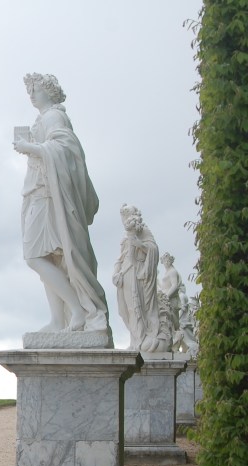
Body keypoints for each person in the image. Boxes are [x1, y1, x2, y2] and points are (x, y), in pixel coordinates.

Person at [13, 73, 111, 338]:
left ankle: (77, 309)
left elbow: (65, 150)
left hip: (48, 196)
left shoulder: (54, 117)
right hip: (39, 192)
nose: (31, 95)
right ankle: (58, 320)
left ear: (49, 92)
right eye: (29, 91)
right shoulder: (43, 119)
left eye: (35, 89)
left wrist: (30, 148)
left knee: (35, 257)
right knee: (50, 258)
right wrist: (32, 147)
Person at [112, 204, 166, 351]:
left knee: (139, 306)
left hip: (139, 273)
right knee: (128, 308)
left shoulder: (143, 230)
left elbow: (154, 250)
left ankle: (141, 339)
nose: (125, 218)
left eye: (127, 214)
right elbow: (120, 258)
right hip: (125, 273)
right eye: (123, 216)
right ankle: (135, 339)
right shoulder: (125, 236)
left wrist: (140, 244)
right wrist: (115, 273)